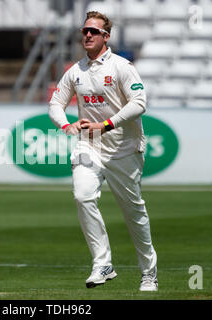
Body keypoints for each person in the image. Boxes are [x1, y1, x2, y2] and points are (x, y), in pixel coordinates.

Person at [48, 11, 158, 291]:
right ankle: (102, 263)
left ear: (105, 37)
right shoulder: (75, 71)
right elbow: (55, 104)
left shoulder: (122, 66)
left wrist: (106, 125)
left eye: (93, 32)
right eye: (84, 30)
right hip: (89, 146)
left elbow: (139, 103)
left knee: (134, 214)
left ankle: (149, 273)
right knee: (82, 196)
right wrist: (66, 126)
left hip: (124, 148)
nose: (87, 35)